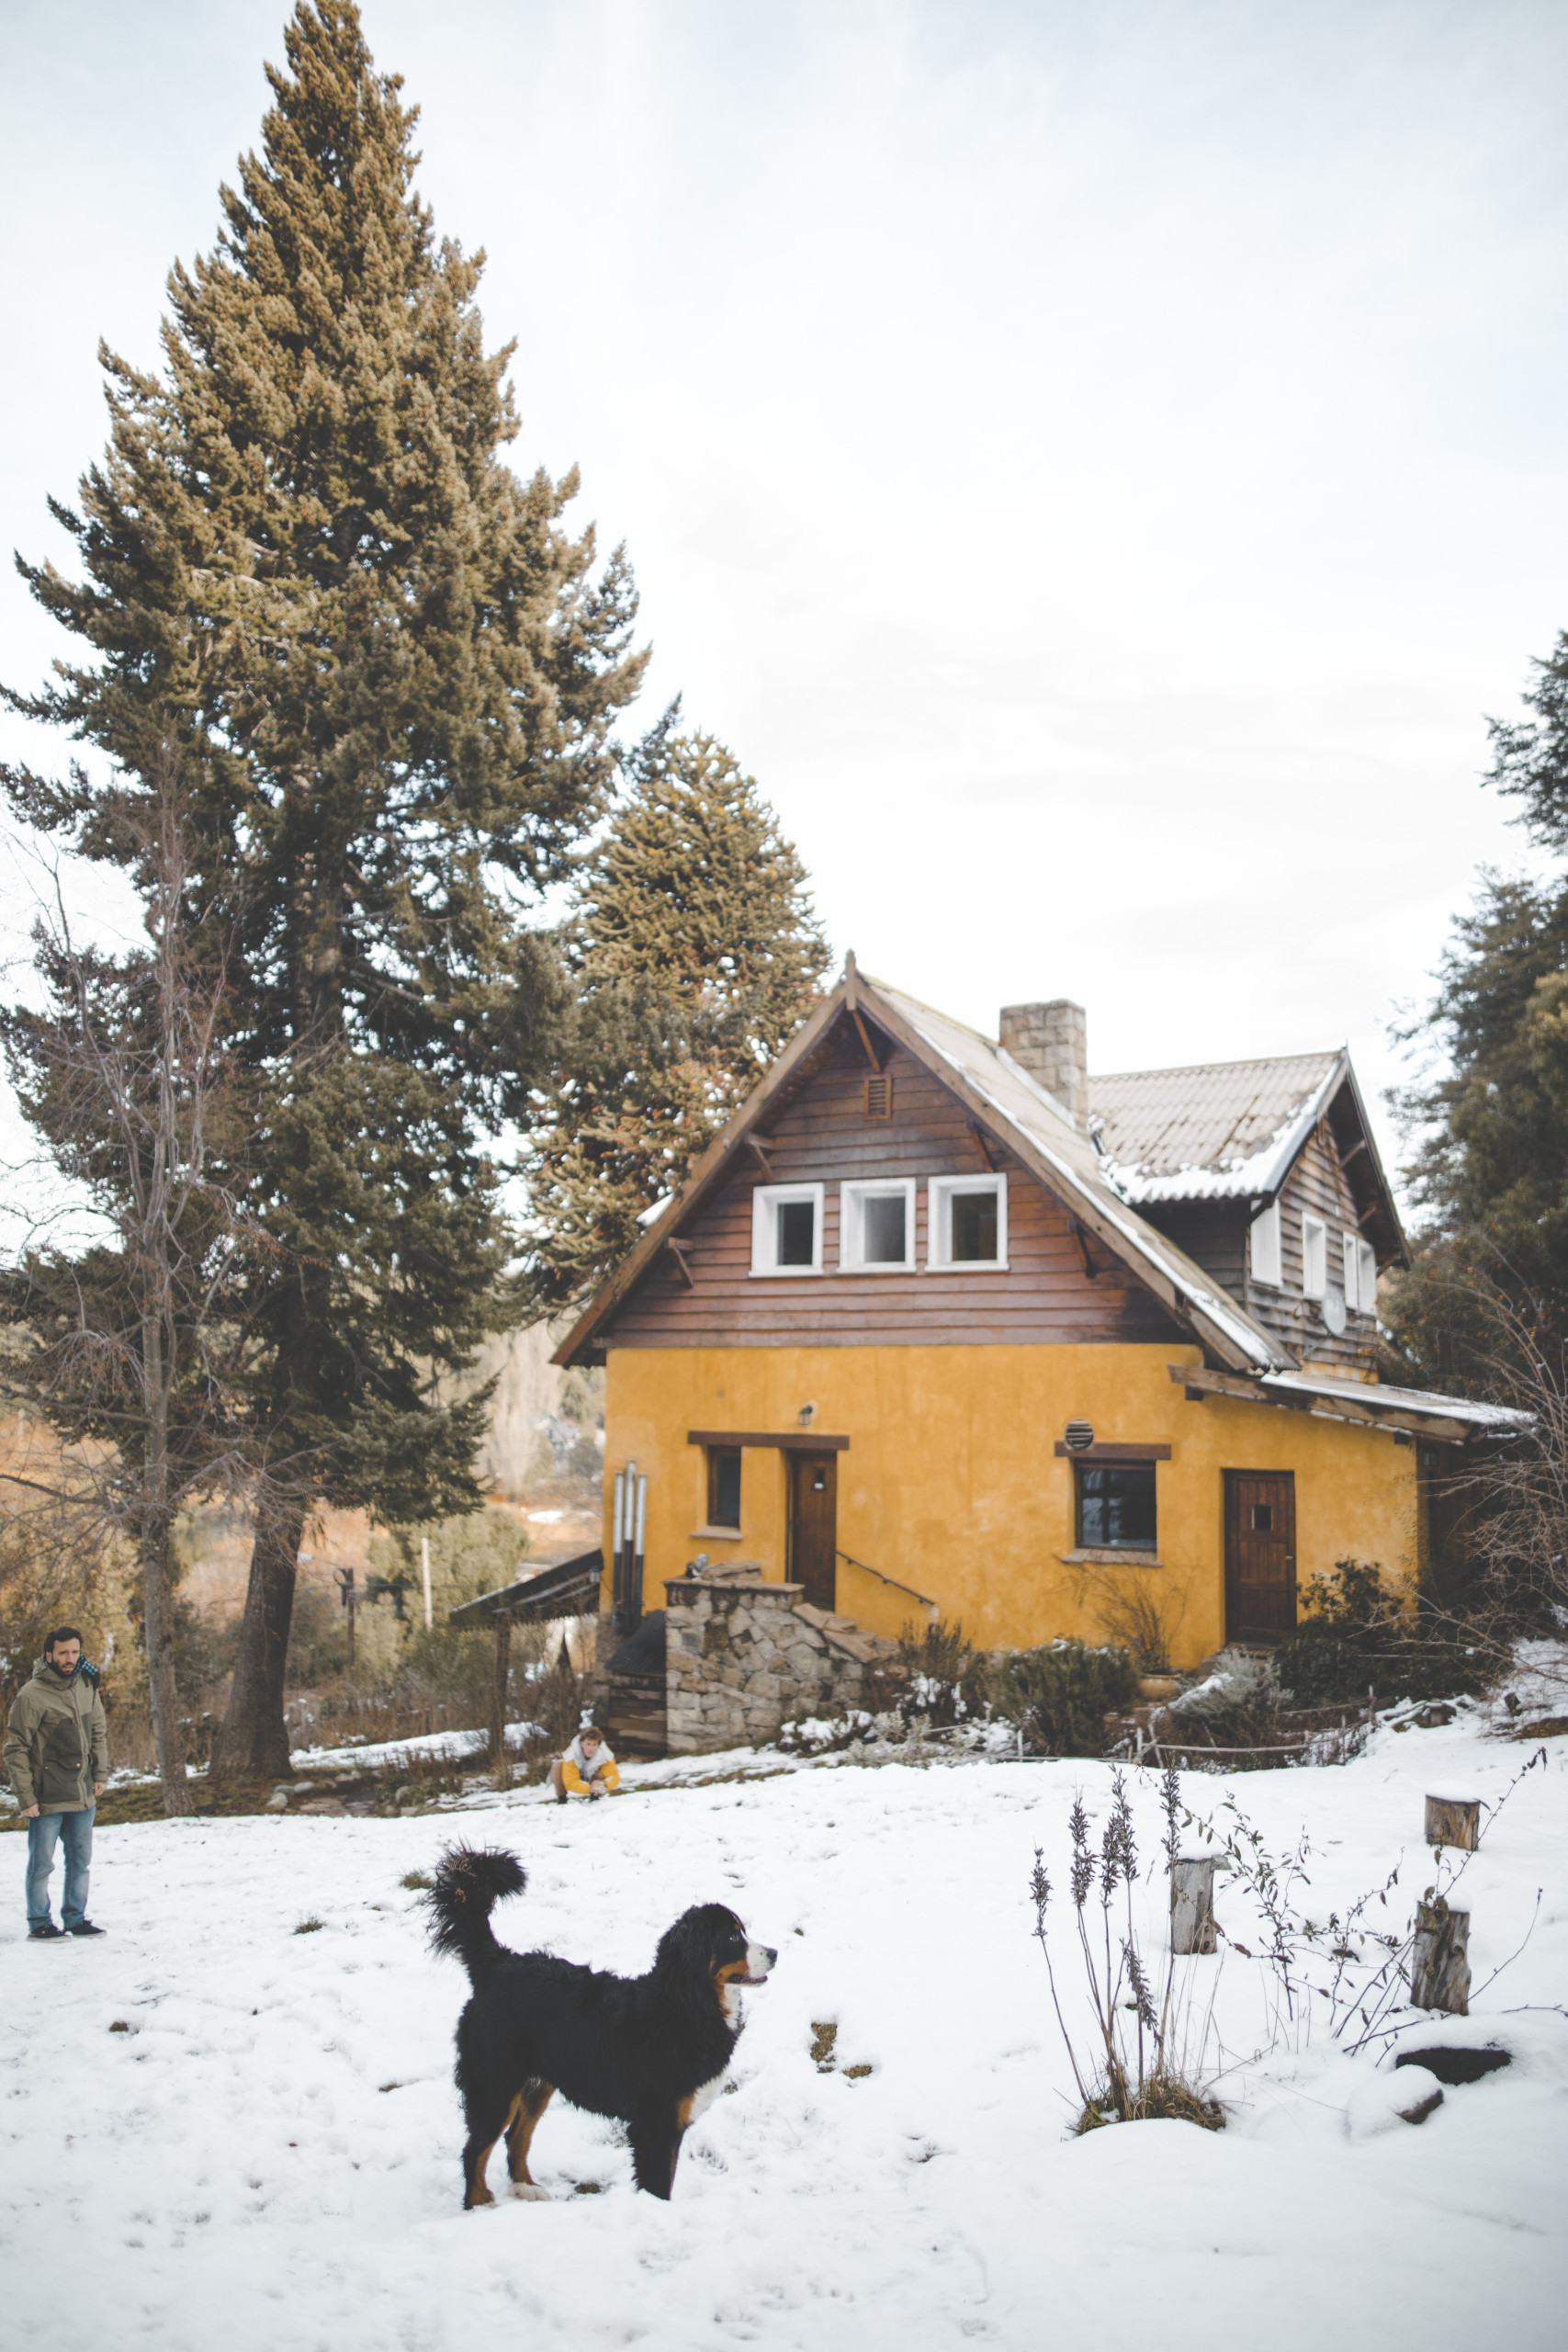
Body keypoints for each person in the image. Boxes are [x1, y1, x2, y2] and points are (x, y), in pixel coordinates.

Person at [3, 1626, 108, 1940]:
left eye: (75, 1652)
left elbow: (98, 1732)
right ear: (49, 1655)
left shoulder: (87, 1684)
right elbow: (15, 1749)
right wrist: (26, 1798)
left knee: (80, 1862)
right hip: (46, 1796)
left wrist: (100, 1774)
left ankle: (75, 1919)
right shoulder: (31, 1695)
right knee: (41, 1865)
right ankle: (39, 1922)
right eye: (63, 1653)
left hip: (82, 1792)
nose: (70, 1658)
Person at [549, 1725, 621, 1804]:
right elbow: (570, 1782)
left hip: (592, 1776)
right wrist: (588, 1789)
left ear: (598, 1745)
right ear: (581, 1744)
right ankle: (562, 1799)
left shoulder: (605, 1754)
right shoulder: (571, 1754)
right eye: (588, 1744)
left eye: (594, 1744)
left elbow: (614, 1776)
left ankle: (595, 1796)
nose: (591, 1748)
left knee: (602, 1774)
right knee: (557, 1766)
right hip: (576, 1775)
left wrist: (604, 1785)